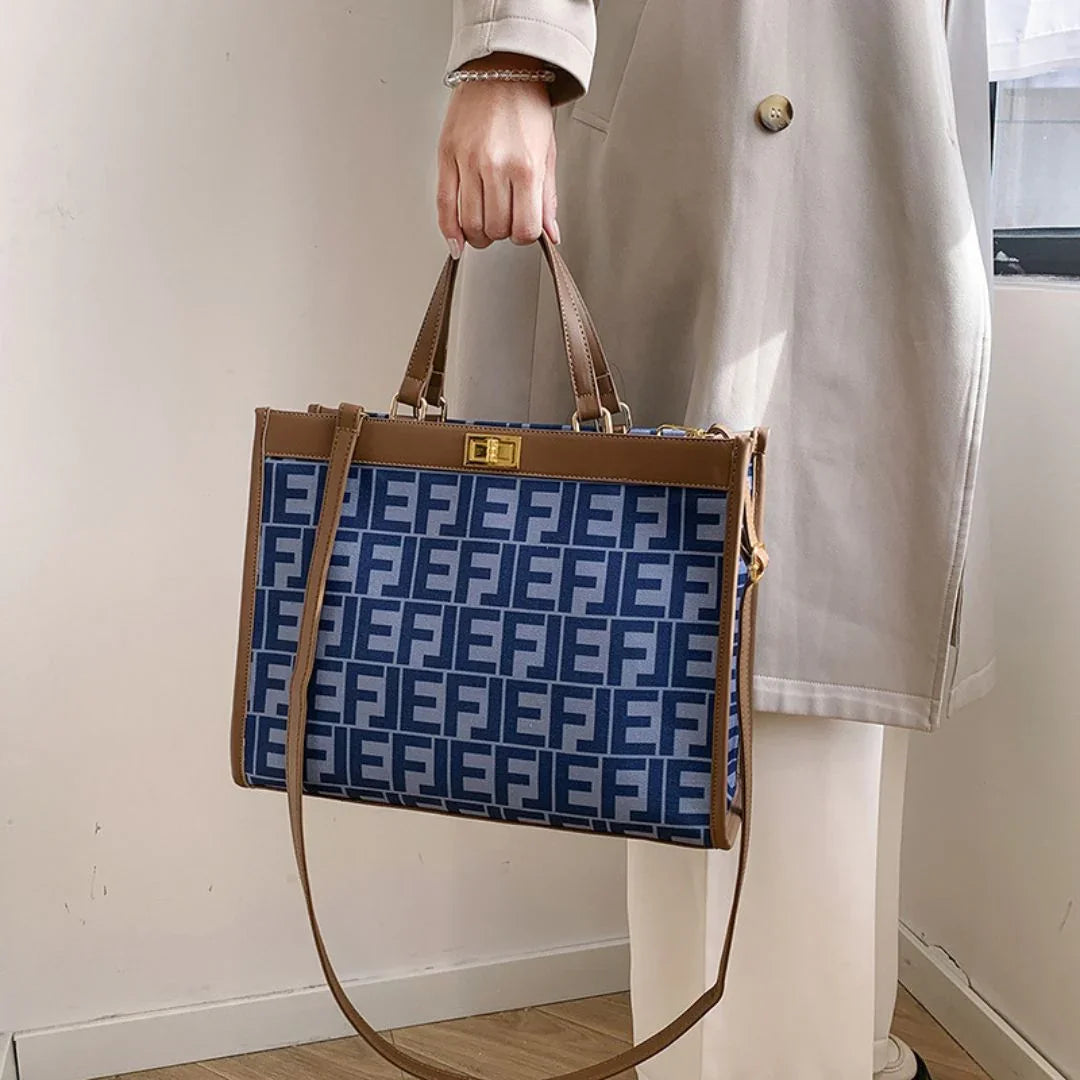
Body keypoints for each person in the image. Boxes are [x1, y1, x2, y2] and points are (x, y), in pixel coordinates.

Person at [435, 3, 995, 1077]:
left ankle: (841, 1049)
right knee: (708, 662)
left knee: (828, 667)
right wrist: (513, 44)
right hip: (704, 105)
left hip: (892, 103)